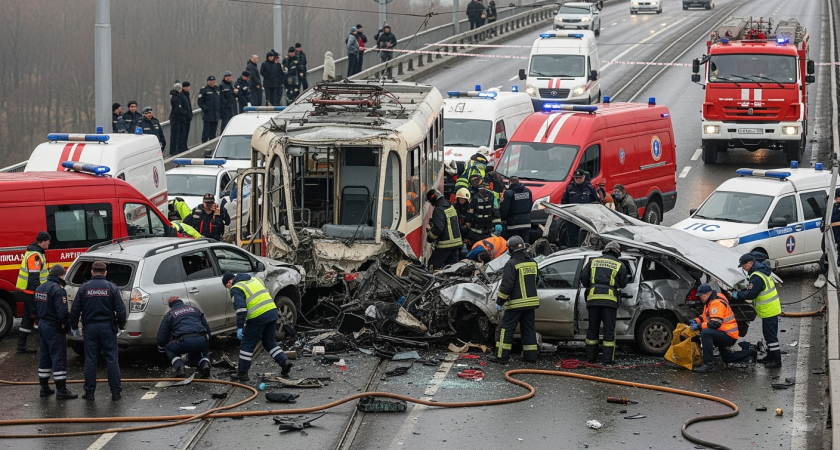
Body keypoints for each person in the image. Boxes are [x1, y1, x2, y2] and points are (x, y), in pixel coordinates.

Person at [69, 261, 126, 401]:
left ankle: (89, 393)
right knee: (112, 360)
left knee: (91, 360)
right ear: (105, 272)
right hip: (107, 328)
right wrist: (121, 325)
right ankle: (116, 393)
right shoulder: (111, 288)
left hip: (90, 328)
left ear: (92, 272)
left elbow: (75, 310)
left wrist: (74, 327)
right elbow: (121, 310)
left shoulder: (84, 288)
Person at [223, 272, 293, 381]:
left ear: (229, 282)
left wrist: (240, 327)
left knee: (247, 343)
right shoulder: (255, 279)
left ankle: (242, 373)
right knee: (269, 342)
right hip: (272, 312)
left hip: (257, 316)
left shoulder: (236, 288)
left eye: (226, 286)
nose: (228, 288)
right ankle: (284, 362)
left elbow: (241, 309)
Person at [489, 235, 539, 364]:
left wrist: (500, 302)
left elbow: (507, 286)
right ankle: (530, 356)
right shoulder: (532, 263)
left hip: (516, 304)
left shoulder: (511, 264)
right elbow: (536, 280)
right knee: (528, 329)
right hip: (531, 303)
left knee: (505, 329)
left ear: (511, 248)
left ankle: (501, 356)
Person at [691, 283, 757, 372]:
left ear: (707, 294)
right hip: (725, 333)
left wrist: (699, 326)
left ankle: (708, 364)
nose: (700, 298)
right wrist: (696, 321)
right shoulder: (710, 301)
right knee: (727, 358)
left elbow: (715, 323)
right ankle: (751, 352)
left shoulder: (716, 303)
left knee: (705, 333)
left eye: (701, 295)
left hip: (728, 335)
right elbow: (705, 316)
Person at [581, 242, 628, 364]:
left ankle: (591, 358)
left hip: (593, 299)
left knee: (592, 329)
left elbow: (584, 278)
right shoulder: (619, 264)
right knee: (609, 330)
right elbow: (623, 283)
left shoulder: (593, 261)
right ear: (617, 252)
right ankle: (607, 360)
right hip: (609, 301)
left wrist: (593, 285)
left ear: (606, 250)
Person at [732, 253, 782, 368]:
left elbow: (751, 294)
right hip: (770, 309)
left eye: (744, 265)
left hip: (769, 310)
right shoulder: (761, 271)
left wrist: (737, 295)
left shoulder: (757, 276)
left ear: (750, 263)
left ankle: (776, 360)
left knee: (771, 336)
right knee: (768, 335)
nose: (744, 268)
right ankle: (771, 356)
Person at [34, 264, 77, 399]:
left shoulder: (40, 288)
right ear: (62, 275)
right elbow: (62, 313)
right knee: (59, 356)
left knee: (45, 355)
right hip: (53, 326)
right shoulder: (58, 290)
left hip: (42, 324)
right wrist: (67, 325)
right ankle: (61, 390)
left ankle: (44, 387)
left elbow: (34, 309)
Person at [156, 296, 211, 378]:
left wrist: (161, 350)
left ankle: (180, 368)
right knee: (203, 350)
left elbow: (162, 335)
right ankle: (205, 365)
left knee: (169, 348)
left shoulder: (170, 314)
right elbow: (206, 327)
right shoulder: (195, 309)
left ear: (170, 307)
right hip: (201, 338)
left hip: (184, 341)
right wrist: (207, 341)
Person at [16, 231, 51, 354]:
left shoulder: (34, 252)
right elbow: (34, 277)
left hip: (28, 291)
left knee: (28, 318)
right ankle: (44, 346)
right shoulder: (35, 255)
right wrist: (39, 292)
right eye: (48, 242)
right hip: (32, 292)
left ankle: (21, 345)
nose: (49, 244)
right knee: (39, 317)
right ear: (43, 241)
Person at [426, 189, 463, 271]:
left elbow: (438, 228)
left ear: (433, 199)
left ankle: (433, 279)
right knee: (452, 268)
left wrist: (430, 237)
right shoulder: (450, 206)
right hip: (456, 243)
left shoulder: (439, 209)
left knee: (432, 265)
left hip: (445, 244)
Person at [560, 169, 599, 247]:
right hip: (573, 217)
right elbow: (564, 202)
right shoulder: (570, 188)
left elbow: (597, 201)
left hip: (585, 217)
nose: (578, 180)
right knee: (572, 238)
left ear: (584, 177)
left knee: (584, 237)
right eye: (576, 178)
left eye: (580, 178)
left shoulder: (590, 188)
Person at [466, 175, 502, 243]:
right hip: (475, 231)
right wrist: (467, 223)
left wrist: (497, 223)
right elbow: (470, 210)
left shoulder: (491, 195)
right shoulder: (471, 194)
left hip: (488, 230)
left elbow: (495, 209)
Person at [500, 176, 532, 243]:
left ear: (510, 183)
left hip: (513, 224)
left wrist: (503, 219)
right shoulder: (528, 191)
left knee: (513, 243)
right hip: (525, 222)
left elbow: (505, 209)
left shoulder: (508, 193)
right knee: (525, 243)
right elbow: (530, 205)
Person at [198, 76, 221, 143]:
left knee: (213, 132)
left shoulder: (217, 89)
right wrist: (205, 109)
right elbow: (200, 102)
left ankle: (212, 144)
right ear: (208, 82)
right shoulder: (204, 90)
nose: (212, 83)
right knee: (206, 131)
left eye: (213, 81)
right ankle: (204, 144)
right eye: (210, 81)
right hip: (208, 114)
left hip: (215, 114)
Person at [169, 83, 187, 155]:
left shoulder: (174, 96)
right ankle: (173, 150)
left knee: (176, 134)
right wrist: (184, 112)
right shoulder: (176, 98)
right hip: (176, 119)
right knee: (175, 135)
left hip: (175, 118)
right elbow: (177, 109)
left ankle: (175, 149)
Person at [179, 82, 193, 154]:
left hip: (188, 117)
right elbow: (180, 107)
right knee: (183, 133)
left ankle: (185, 146)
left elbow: (189, 106)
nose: (187, 88)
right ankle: (181, 147)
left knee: (186, 132)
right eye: (186, 87)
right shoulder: (181, 95)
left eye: (188, 86)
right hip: (183, 118)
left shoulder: (187, 95)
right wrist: (185, 113)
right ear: (183, 87)